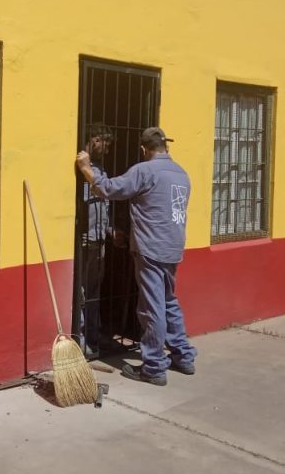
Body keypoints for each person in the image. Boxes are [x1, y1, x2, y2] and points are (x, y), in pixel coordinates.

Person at [75, 126, 196, 385]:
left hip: (151, 249)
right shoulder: (181, 173)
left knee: (151, 307)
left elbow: (107, 189)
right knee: (169, 301)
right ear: (167, 147)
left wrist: (86, 168)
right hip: (173, 247)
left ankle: (153, 367)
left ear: (144, 150)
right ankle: (183, 356)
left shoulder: (145, 171)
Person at [77, 123, 116, 356]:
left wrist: (110, 229)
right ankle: (81, 339)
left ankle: (93, 338)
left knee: (93, 292)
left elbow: (104, 203)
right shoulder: (81, 169)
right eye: (104, 142)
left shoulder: (99, 169)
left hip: (99, 238)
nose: (107, 149)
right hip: (84, 238)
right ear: (93, 140)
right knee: (82, 292)